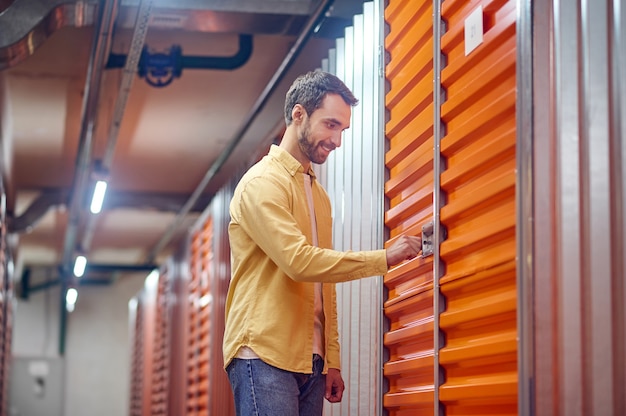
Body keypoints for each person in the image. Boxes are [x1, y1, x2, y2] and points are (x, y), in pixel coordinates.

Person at [223, 70, 422, 416]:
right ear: (298, 114)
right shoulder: (261, 184)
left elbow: (323, 284)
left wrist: (331, 359)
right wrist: (383, 258)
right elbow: (299, 263)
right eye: (330, 125)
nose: (337, 141)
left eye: (342, 130)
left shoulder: (318, 195)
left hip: (309, 360)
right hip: (263, 353)